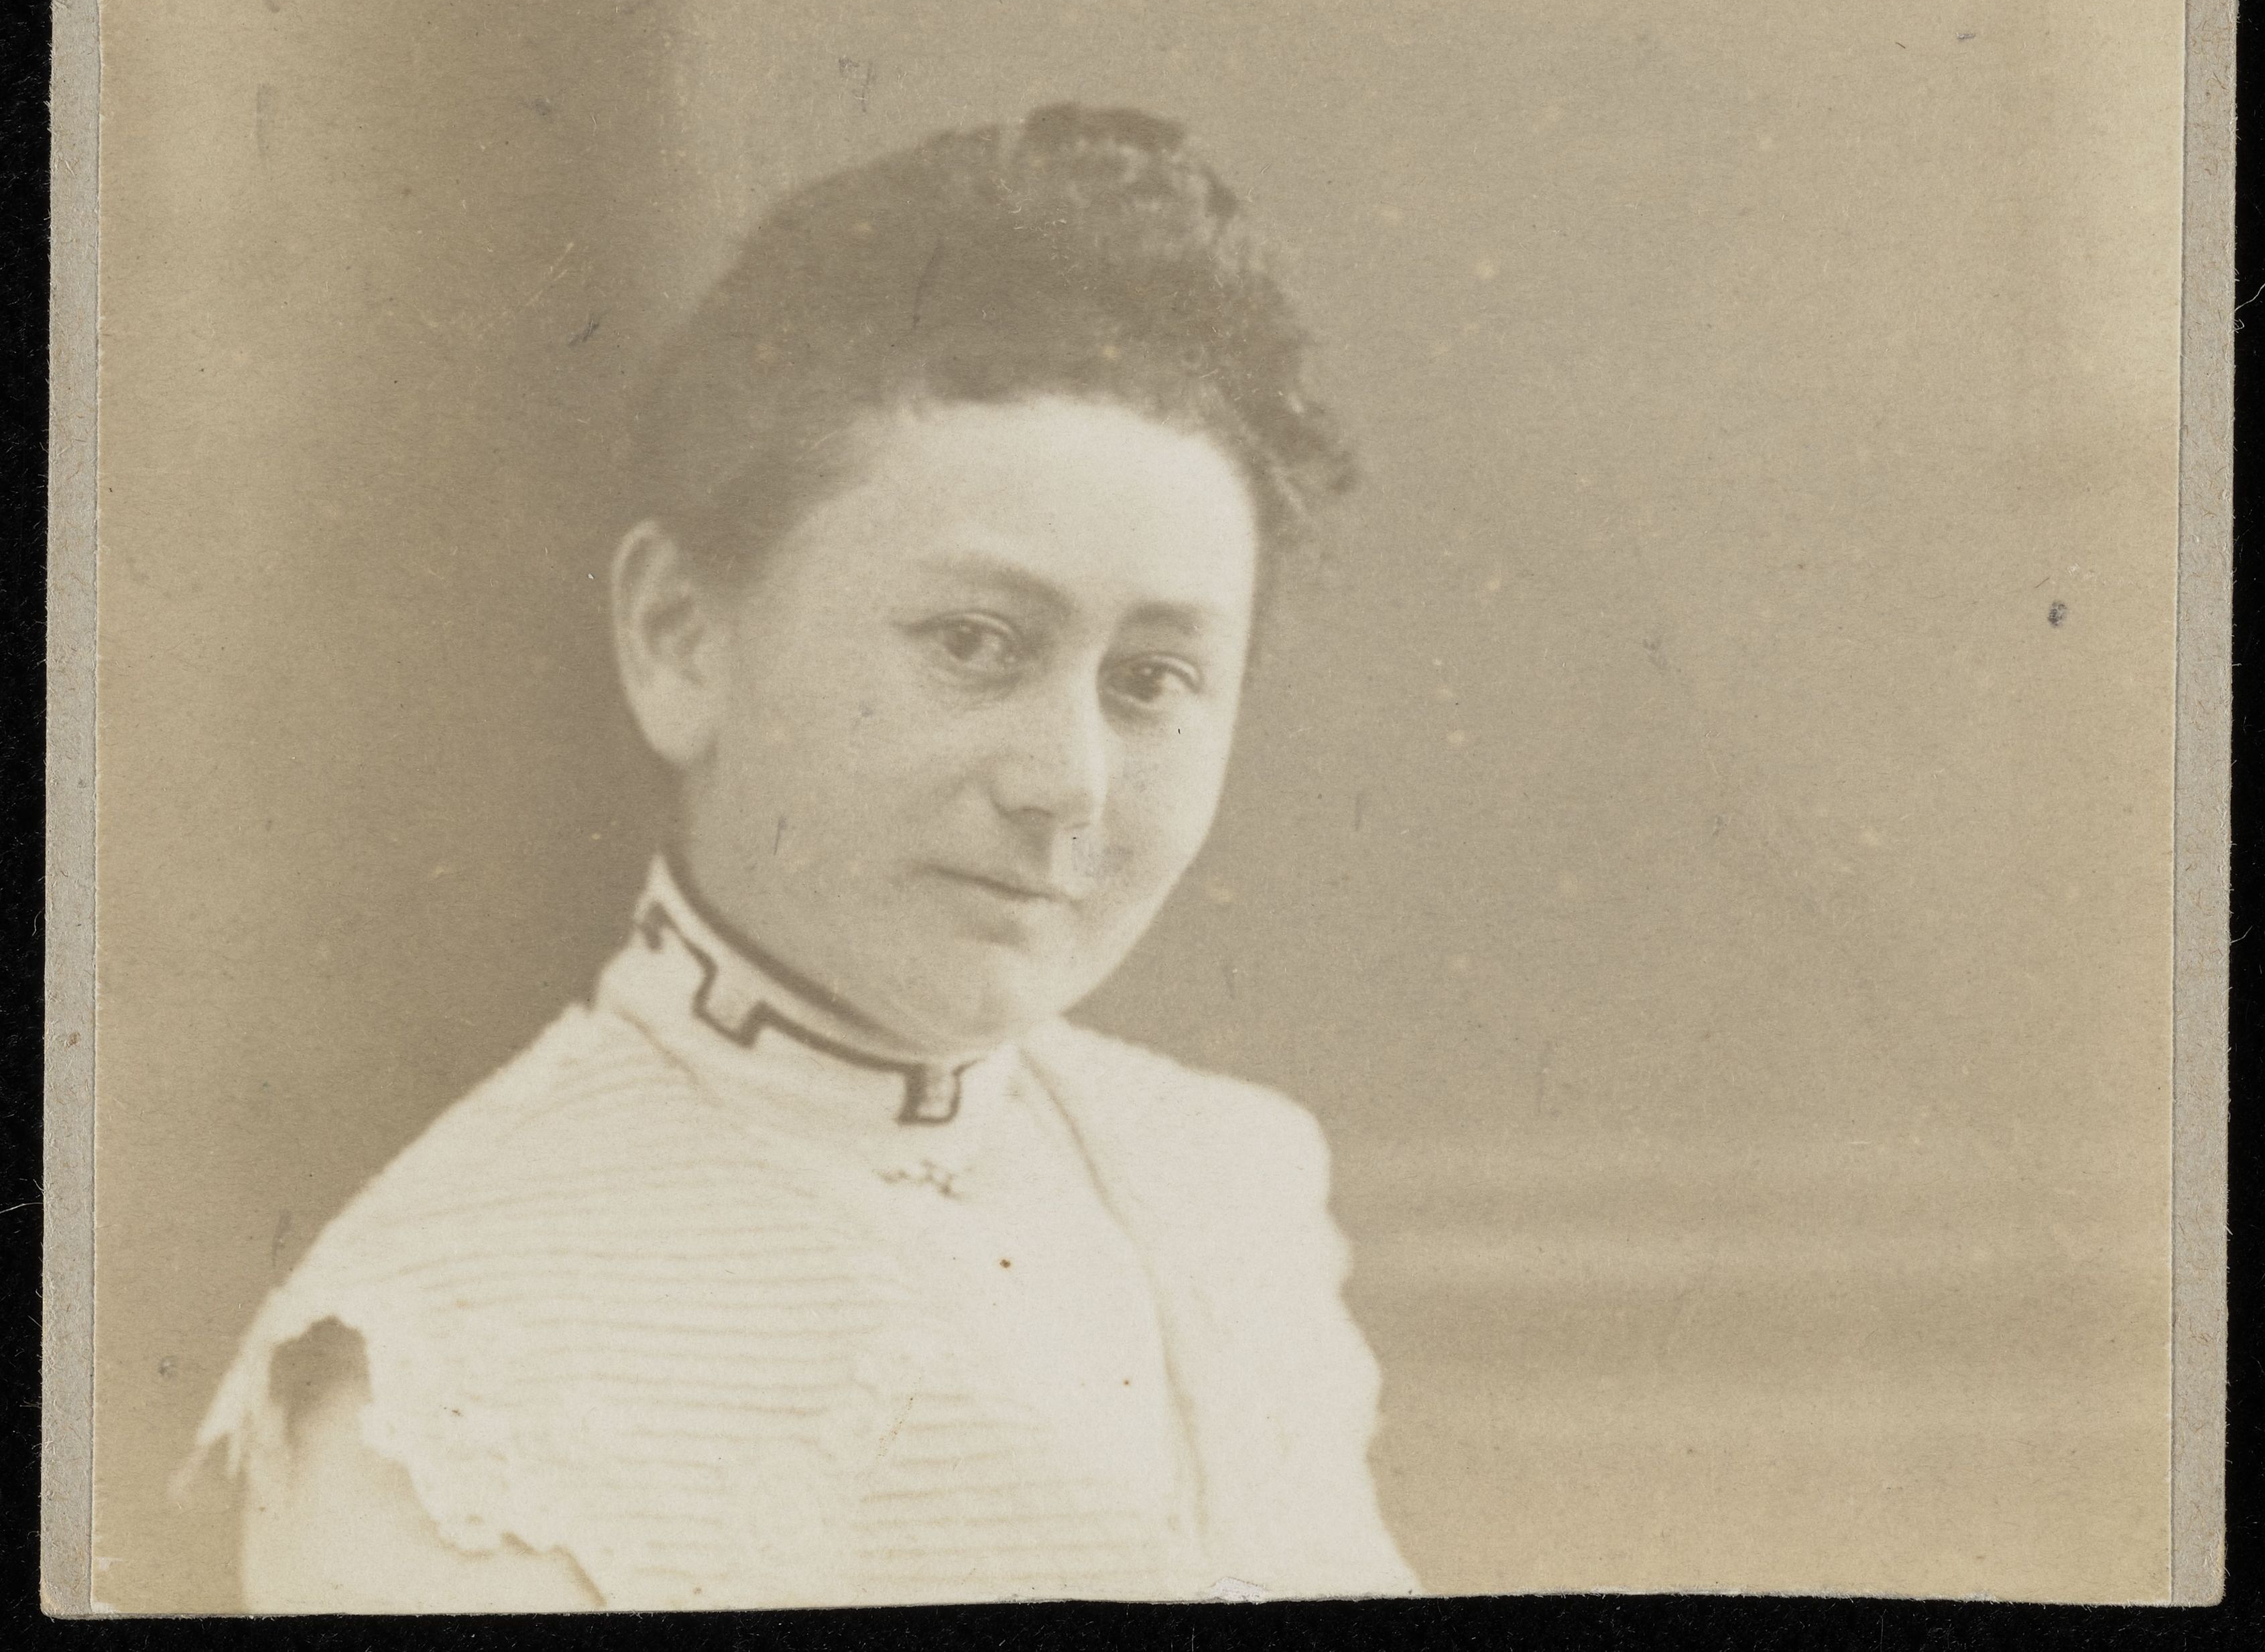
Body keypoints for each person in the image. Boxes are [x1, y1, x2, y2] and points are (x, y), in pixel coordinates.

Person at [188, 104, 1419, 1610]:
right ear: (680, 637)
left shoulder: (1223, 1180)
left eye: (1152, 678)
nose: (1067, 786)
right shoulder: (453, 1365)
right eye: (975, 643)